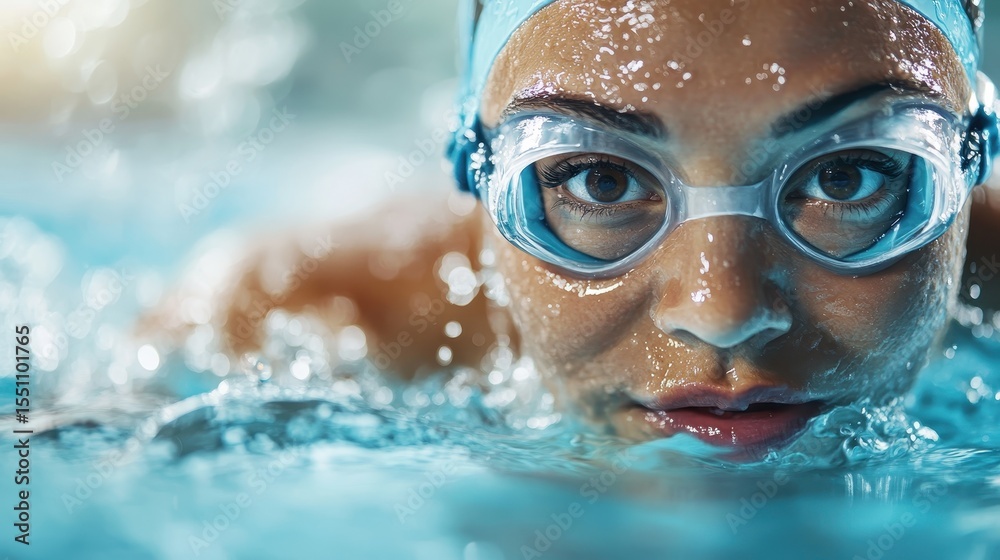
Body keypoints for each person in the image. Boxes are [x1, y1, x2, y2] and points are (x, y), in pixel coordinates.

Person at [149, 0, 1000, 456]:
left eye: (846, 176)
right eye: (601, 180)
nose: (722, 309)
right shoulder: (295, 318)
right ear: (476, 175)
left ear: (968, 161)